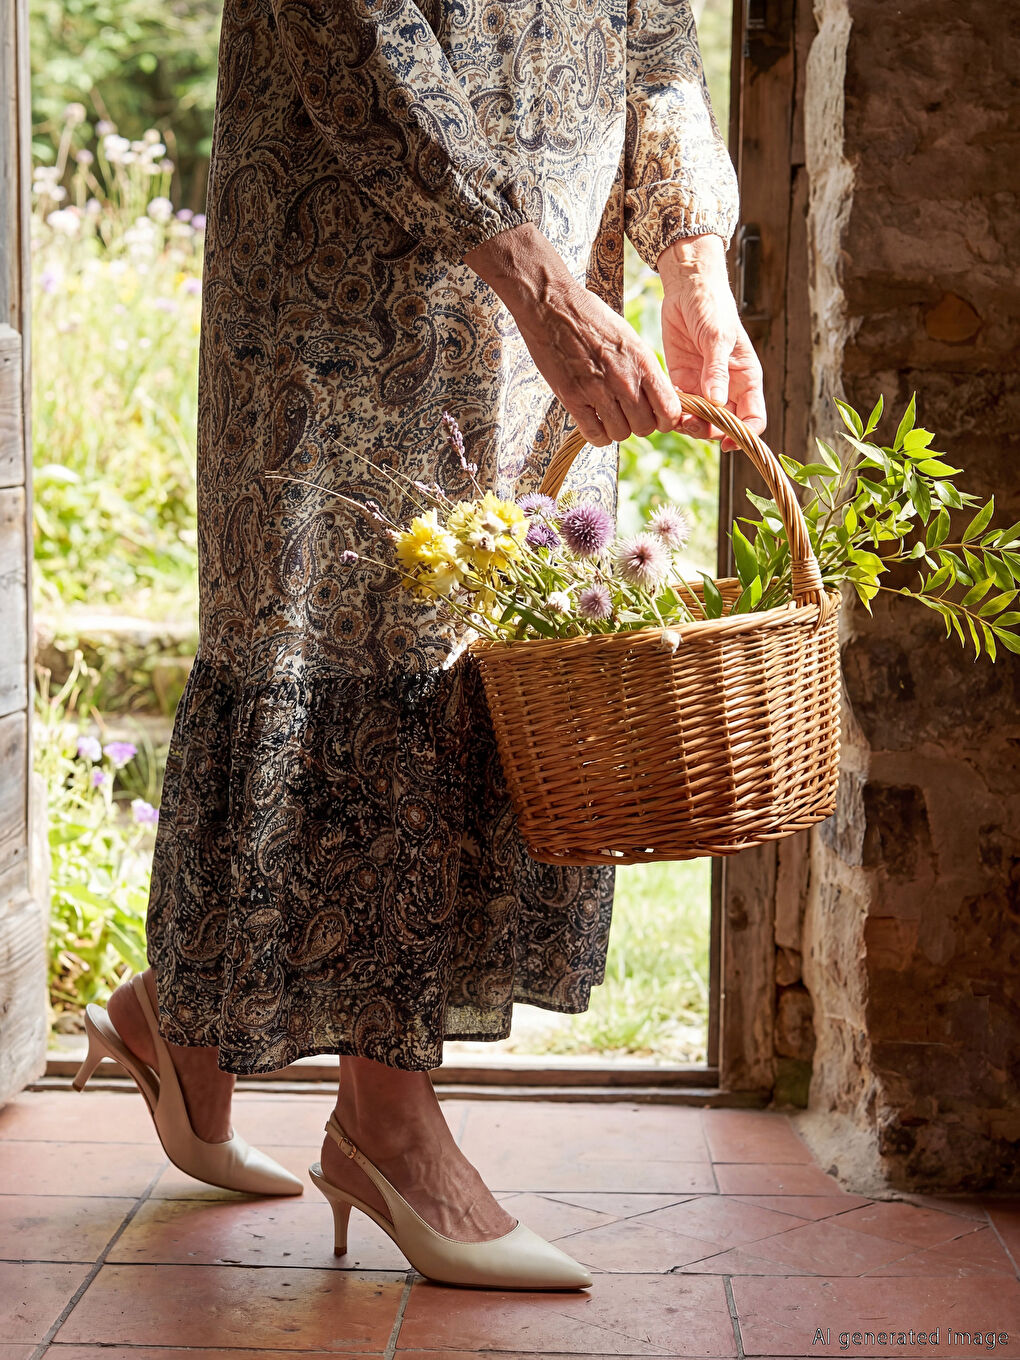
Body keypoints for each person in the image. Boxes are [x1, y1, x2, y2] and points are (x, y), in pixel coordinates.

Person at [75, 0, 764, 1290]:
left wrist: (694, 262)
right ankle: (385, 1128)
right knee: (339, 655)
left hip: (554, 302)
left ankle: (181, 1025)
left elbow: (657, 30)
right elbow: (348, 24)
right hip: (342, 279)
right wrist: (539, 280)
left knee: (479, 658)